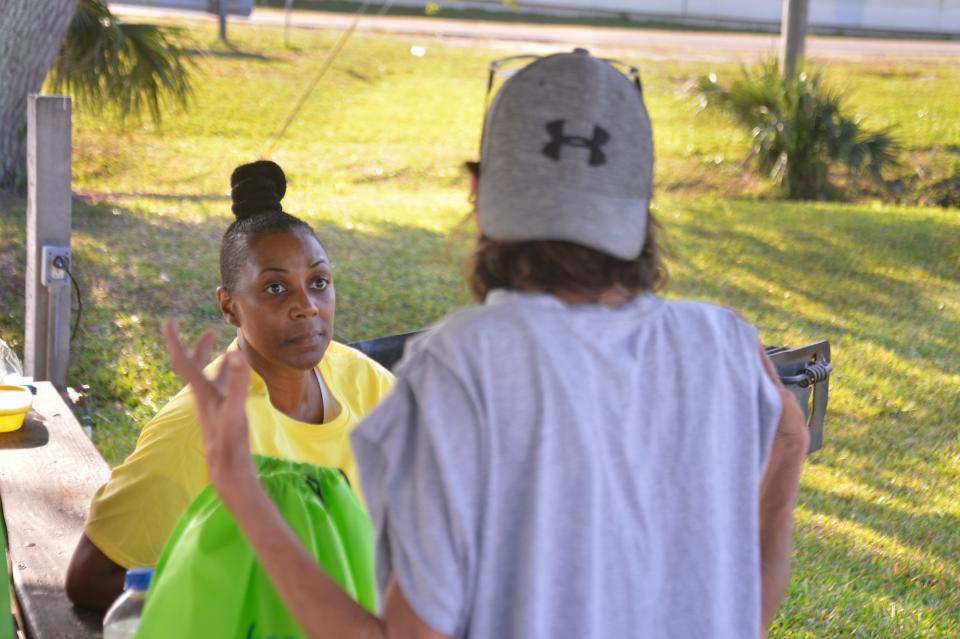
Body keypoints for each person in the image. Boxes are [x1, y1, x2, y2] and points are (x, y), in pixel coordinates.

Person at [163, 50, 809, 638]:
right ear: (640, 202)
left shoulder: (464, 363)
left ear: (479, 193)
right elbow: (744, 609)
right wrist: (789, 447)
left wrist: (240, 488)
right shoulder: (724, 344)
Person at [65, 160, 395, 611]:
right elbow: (92, 578)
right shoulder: (197, 432)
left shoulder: (365, 382)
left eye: (319, 282)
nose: (307, 307)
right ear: (229, 306)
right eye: (276, 289)